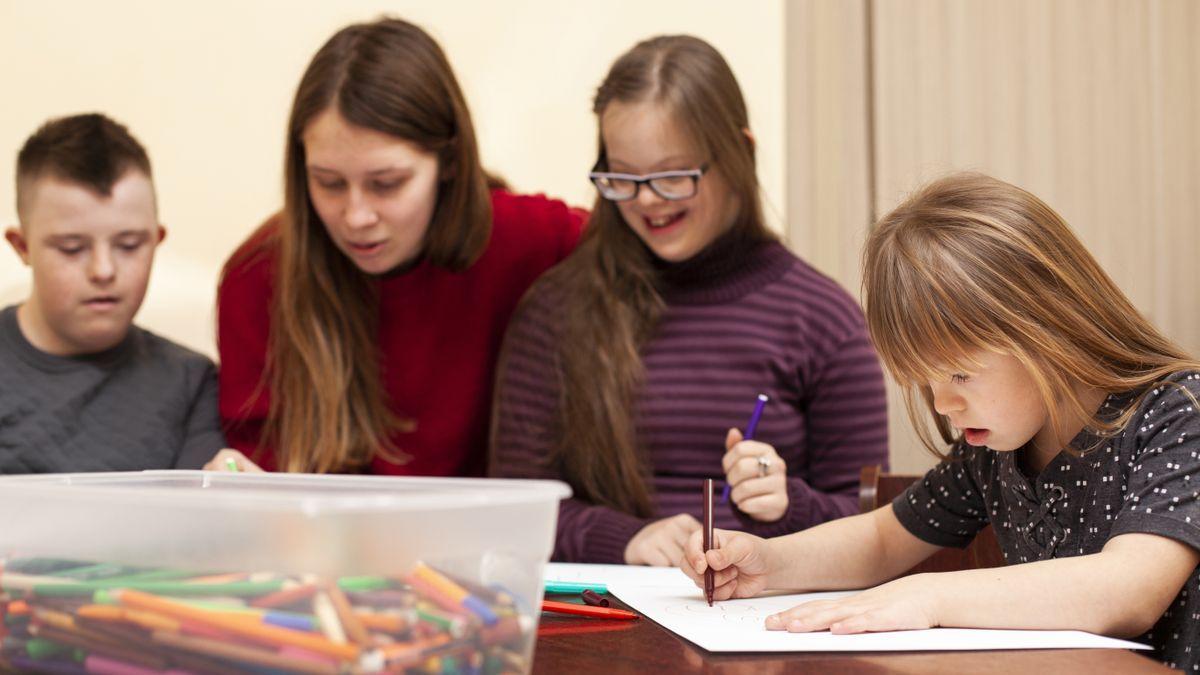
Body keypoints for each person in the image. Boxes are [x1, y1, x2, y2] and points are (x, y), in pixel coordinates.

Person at [680, 173, 1200, 670]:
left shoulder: (1180, 412)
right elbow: (885, 540)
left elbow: (1130, 589)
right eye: (924, 381)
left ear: (1048, 329)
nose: (943, 405)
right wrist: (768, 563)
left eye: (959, 374)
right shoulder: (994, 449)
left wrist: (927, 595)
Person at [490, 35, 888, 565]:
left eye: (673, 176)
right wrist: (625, 539)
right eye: (624, 178)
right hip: (604, 617)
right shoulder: (556, 311)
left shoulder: (823, 320)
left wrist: (791, 506)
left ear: (739, 155)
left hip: (761, 621)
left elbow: (873, 535)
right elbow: (515, 512)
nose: (648, 200)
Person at [213, 18, 583, 475]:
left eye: (386, 184)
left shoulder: (526, 236)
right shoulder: (258, 274)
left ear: (449, 162)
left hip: (491, 540)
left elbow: (649, 252)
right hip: (326, 544)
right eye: (328, 183)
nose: (356, 217)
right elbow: (259, 468)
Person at [1, 113, 226, 472]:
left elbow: (202, 513)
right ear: (22, 246)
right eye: (72, 248)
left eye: (129, 245)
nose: (104, 271)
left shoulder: (191, 382)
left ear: (156, 240)